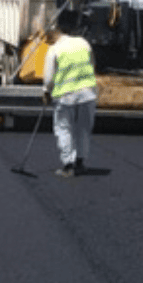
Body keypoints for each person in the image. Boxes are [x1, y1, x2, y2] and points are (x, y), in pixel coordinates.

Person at [42, 11, 97, 177]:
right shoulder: (84, 44)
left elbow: (48, 77)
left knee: (64, 129)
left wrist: (46, 92)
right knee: (83, 129)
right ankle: (80, 162)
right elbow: (92, 65)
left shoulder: (55, 49)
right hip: (87, 94)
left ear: (57, 29)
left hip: (65, 96)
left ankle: (68, 165)